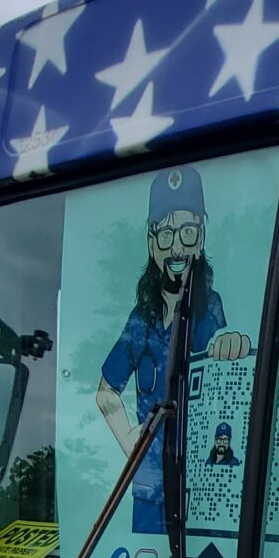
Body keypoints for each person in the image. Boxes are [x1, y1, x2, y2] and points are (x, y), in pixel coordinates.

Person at [96, 166, 252, 534]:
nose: (177, 246)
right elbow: (106, 393)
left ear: (201, 238)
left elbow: (220, 349)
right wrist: (131, 443)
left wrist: (231, 345)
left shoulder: (209, 307)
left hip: (200, 489)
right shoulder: (141, 320)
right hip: (150, 492)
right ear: (151, 244)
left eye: (187, 232)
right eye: (166, 234)